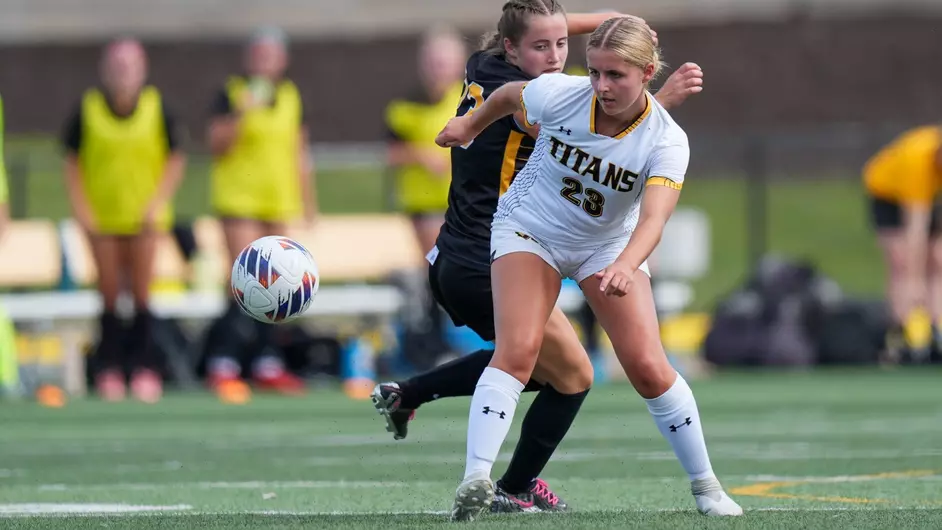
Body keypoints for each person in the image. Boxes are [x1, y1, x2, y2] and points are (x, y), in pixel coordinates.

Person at [371, 0, 705, 515]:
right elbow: (604, 139)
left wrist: (604, 21)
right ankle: (507, 483)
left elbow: (537, 34)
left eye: (562, 45)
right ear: (511, 48)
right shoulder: (548, 99)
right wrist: (656, 95)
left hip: (458, 254)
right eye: (542, 47)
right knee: (560, 372)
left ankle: (411, 396)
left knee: (546, 366)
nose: (555, 59)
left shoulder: (484, 63)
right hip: (500, 250)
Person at [62, 39, 187, 403]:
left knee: (144, 294)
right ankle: (109, 368)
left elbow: (175, 158)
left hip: (145, 218)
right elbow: (71, 162)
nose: (122, 73)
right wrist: (82, 209)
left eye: (129, 65)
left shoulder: (157, 107)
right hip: (104, 217)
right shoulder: (88, 109)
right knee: (110, 293)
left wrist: (158, 202)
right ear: (105, 69)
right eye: (116, 65)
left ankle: (146, 368)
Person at [203, 26, 318, 399]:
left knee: (279, 284)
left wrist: (308, 199)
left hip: (278, 200)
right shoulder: (232, 93)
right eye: (259, 55)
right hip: (240, 200)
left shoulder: (290, 95)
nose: (264, 63)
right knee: (244, 279)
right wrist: (240, 112)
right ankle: (225, 360)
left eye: (271, 55)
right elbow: (216, 144)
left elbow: (299, 150)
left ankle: (267, 361)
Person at [384, 27, 467, 370]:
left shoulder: (468, 100)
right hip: (424, 203)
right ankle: (434, 342)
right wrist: (421, 156)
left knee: (455, 270)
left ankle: (453, 339)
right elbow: (391, 153)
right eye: (433, 62)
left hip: (462, 202)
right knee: (438, 267)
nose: (438, 69)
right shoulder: (404, 107)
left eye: (444, 62)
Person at [863, 124, 942, 363]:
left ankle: (937, 328)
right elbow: (915, 230)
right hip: (886, 192)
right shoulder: (917, 160)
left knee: (938, 259)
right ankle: (902, 333)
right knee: (901, 260)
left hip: (929, 195)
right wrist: (914, 281)